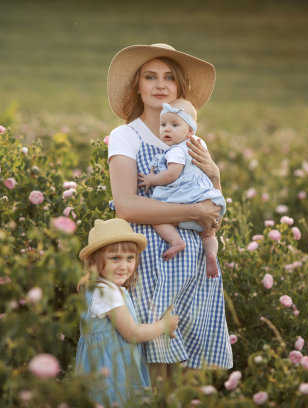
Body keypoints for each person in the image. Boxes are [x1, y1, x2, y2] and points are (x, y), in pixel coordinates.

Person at [106, 43, 233, 385]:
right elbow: (127, 206)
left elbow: (212, 211)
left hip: (193, 265)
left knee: (189, 376)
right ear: (138, 85)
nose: (160, 84)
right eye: (150, 77)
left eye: (169, 78)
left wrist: (216, 176)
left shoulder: (193, 141)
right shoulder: (126, 135)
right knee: (154, 367)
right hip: (149, 258)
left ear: (178, 88)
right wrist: (193, 210)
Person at [75, 218, 179, 406]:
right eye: (115, 258)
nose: (124, 266)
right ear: (95, 262)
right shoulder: (105, 291)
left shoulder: (104, 288)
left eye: (130, 258)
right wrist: (163, 325)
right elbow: (132, 333)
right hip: (111, 371)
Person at [137, 98, 225, 279]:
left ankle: (176, 241)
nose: (167, 129)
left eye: (174, 125)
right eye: (163, 125)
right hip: (207, 199)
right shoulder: (200, 145)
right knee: (209, 236)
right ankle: (211, 254)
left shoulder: (176, 151)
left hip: (185, 198)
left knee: (158, 217)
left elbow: (171, 175)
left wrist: (151, 179)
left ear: (190, 131)